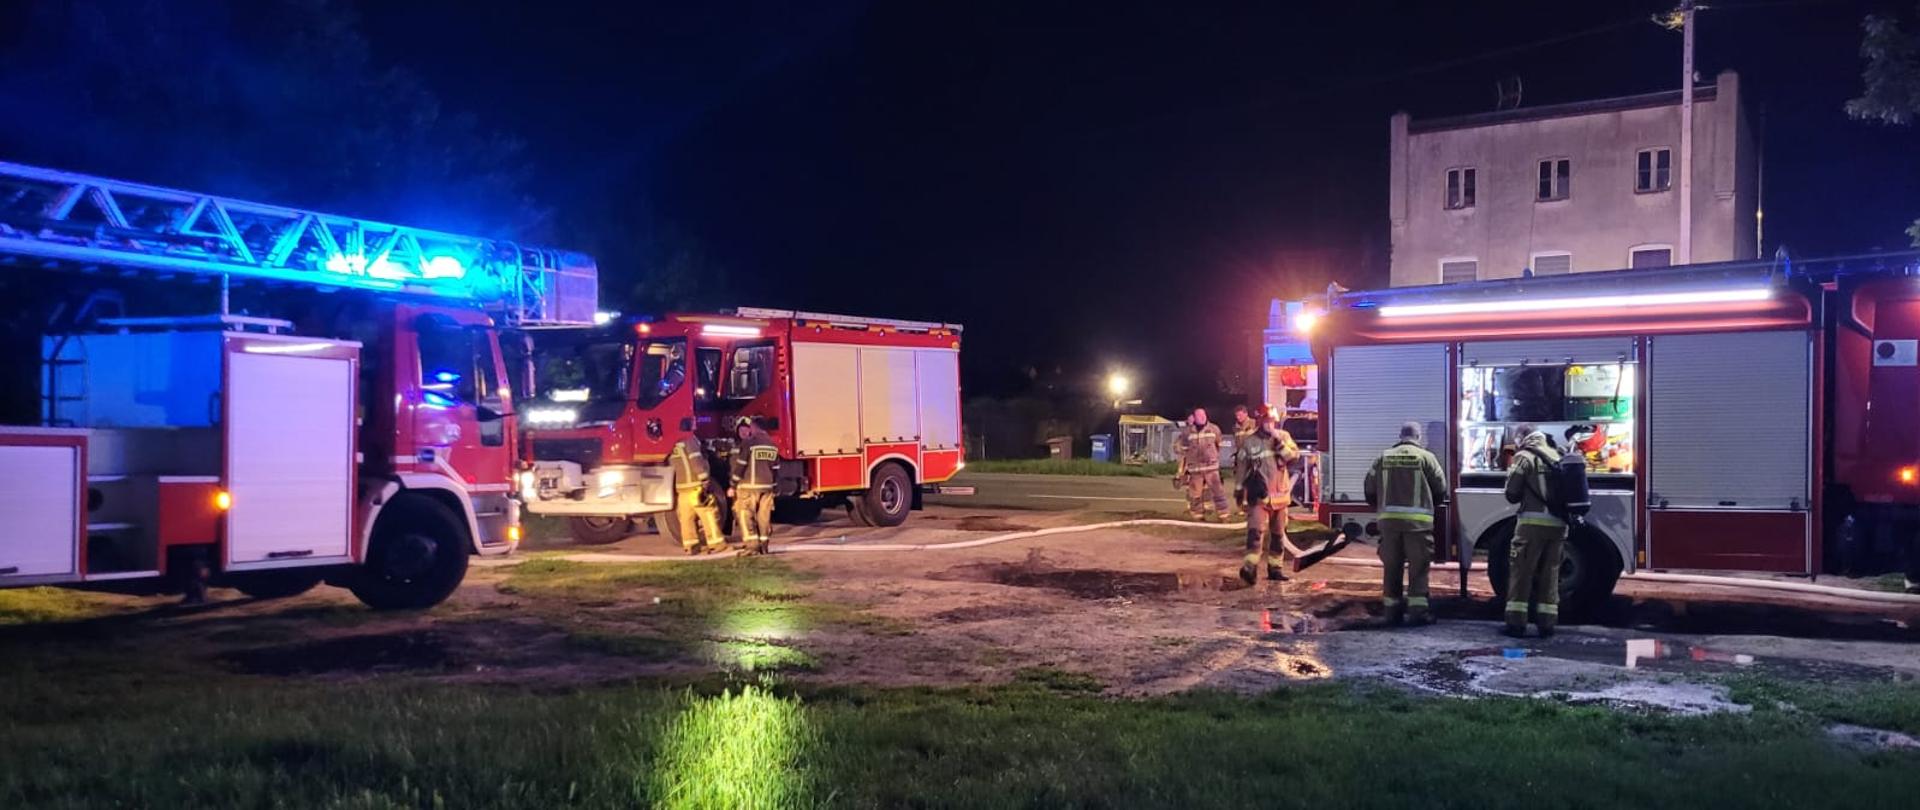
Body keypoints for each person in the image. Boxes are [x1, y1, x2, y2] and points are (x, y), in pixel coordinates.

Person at [1363, 422, 1448, 626]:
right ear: (1418, 437)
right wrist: (1428, 506)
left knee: (1392, 567)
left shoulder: (1383, 457)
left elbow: (1369, 488)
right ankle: (1418, 613)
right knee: (1418, 568)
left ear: (1400, 436)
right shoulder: (1427, 458)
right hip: (1418, 526)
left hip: (1389, 525)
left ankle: (1392, 613)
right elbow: (1440, 488)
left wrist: (1382, 507)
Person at [1503, 423, 1567, 638]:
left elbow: (1511, 492)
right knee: (1551, 574)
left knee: (1522, 572)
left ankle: (1516, 622)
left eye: (1516, 438)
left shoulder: (1525, 457)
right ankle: (1547, 622)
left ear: (1523, 436)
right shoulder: (1558, 454)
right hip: (1558, 525)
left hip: (1531, 525)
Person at [1236, 411, 1301, 584]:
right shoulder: (1249, 442)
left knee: (1278, 535)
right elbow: (1242, 468)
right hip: (1259, 497)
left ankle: (1275, 569)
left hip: (1280, 498)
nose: (1270, 424)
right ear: (1259, 421)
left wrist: (1278, 441)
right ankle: (1250, 568)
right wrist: (1239, 490)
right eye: (1267, 421)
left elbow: (1293, 458)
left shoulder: (1283, 436)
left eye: (1273, 421)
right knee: (1255, 532)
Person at [668, 433, 726, 554]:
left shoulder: (671, 442)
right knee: (708, 513)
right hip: (695, 485)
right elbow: (696, 460)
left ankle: (691, 546)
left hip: (682, 487)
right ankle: (716, 543)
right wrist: (704, 478)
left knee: (686, 519)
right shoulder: (689, 439)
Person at [729, 416, 780, 555]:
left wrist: (733, 485)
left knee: (745, 514)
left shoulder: (749, 443)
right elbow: (775, 469)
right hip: (767, 487)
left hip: (749, 487)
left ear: (755, 427)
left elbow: (741, 465)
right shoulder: (772, 445)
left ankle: (752, 546)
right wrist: (774, 487)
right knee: (764, 517)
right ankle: (764, 545)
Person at [1174, 407, 1231, 521]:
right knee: (1195, 494)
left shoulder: (1214, 429)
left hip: (1211, 468)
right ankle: (1198, 515)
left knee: (1218, 492)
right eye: (1199, 416)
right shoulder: (1187, 432)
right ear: (1194, 418)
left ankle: (1224, 515)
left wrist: (1212, 457)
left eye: (1203, 415)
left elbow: (1218, 445)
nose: (1202, 418)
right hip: (1195, 469)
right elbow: (1184, 449)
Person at [1229, 404, 1259, 515]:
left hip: (1252, 457)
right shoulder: (1235, 427)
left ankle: (1251, 505)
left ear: (1246, 414)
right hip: (1241, 458)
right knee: (1239, 482)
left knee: (1251, 482)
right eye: (1237, 415)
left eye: (1240, 415)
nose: (1238, 418)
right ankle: (1241, 506)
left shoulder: (1254, 424)